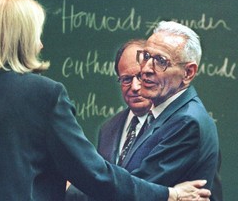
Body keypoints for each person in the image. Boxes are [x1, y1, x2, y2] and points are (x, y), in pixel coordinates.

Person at [0, 0, 211, 201]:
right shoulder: (43, 94)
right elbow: (94, 174)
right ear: (19, 38)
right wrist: (170, 195)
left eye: (160, 60)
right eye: (36, 34)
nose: (40, 44)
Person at [66, 38, 223, 201]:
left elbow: (136, 190)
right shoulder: (108, 129)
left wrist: (70, 190)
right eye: (126, 79)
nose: (135, 87)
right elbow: (111, 185)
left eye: (141, 77)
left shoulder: (183, 123)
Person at [135, 21, 219, 191]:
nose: (146, 69)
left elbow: (136, 193)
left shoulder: (187, 122)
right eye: (145, 56)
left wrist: (72, 189)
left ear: (188, 73)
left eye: (160, 61)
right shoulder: (162, 114)